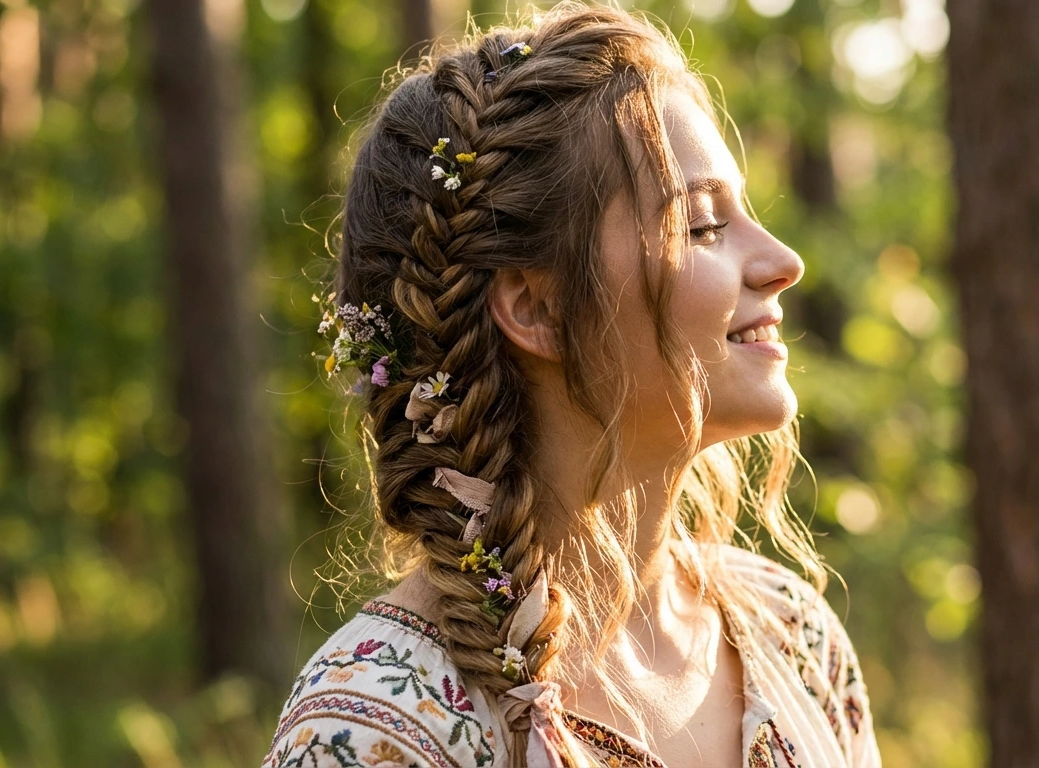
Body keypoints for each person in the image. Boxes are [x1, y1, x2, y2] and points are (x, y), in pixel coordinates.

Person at [264, 3, 880, 766]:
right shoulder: (376, 730)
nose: (784, 260)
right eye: (702, 226)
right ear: (537, 306)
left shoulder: (796, 637)